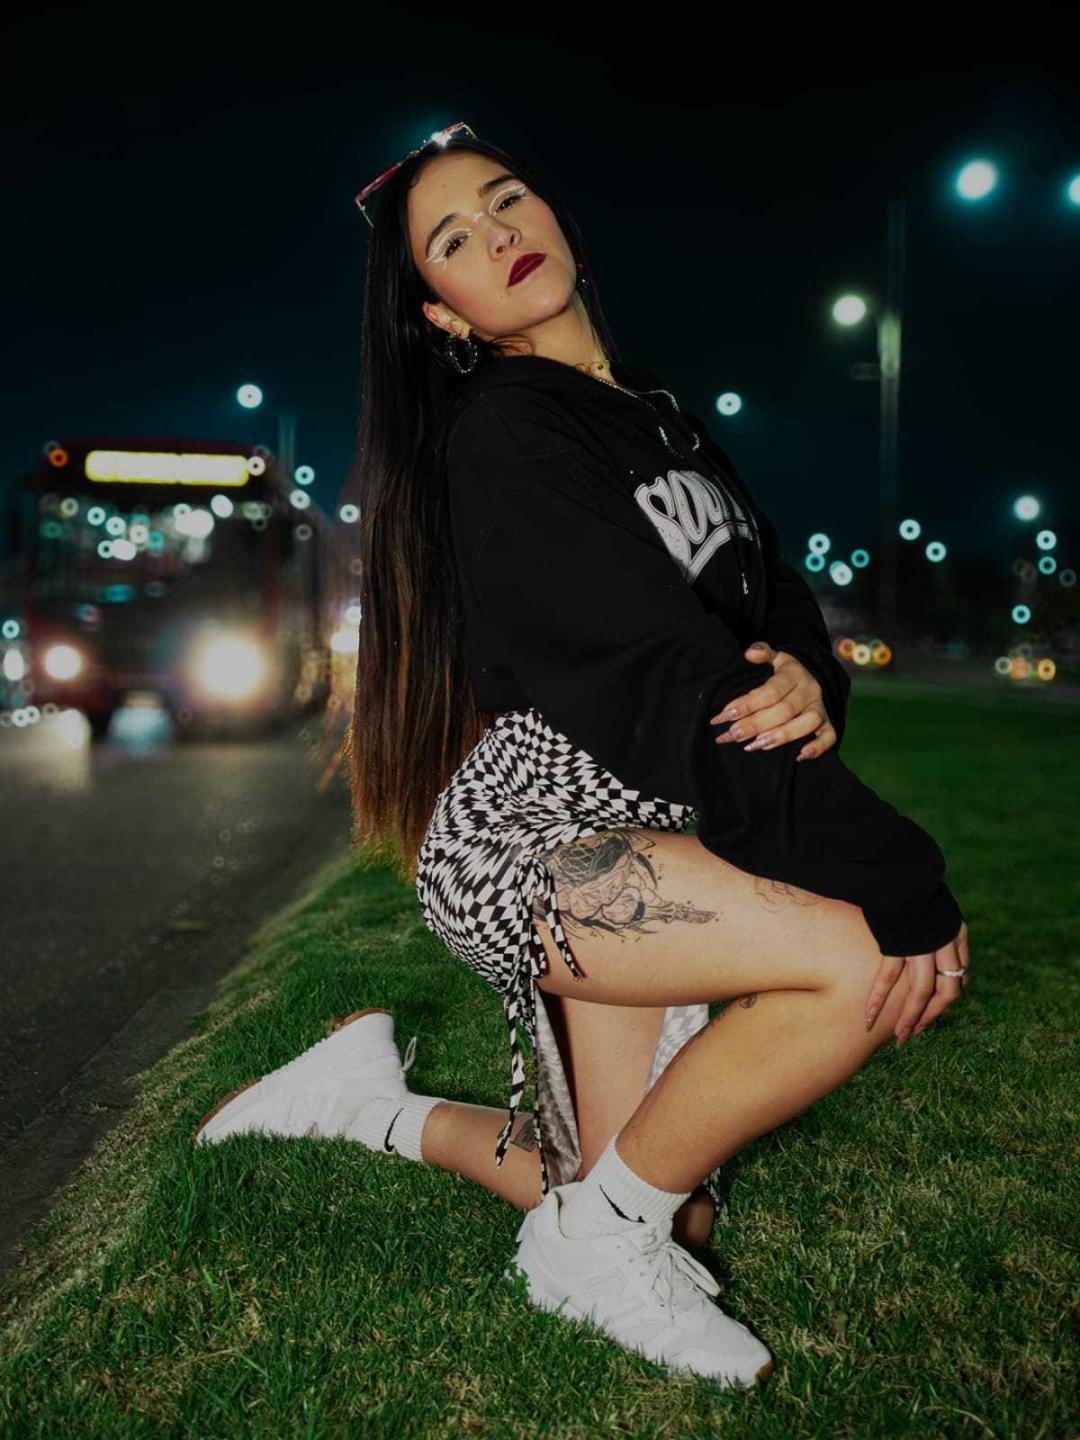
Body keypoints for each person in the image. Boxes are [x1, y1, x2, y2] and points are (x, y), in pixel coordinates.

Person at [193, 124, 969, 1391]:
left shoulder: (653, 412)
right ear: (443, 314)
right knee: (858, 953)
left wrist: (802, 669)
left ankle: (362, 1102)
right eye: (455, 238)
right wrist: (900, 877)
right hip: (537, 836)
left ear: (554, 213)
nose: (498, 232)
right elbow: (660, 680)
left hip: (644, 818)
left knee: (673, 1203)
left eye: (507, 199)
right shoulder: (503, 434)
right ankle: (589, 1250)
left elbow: (763, 585)